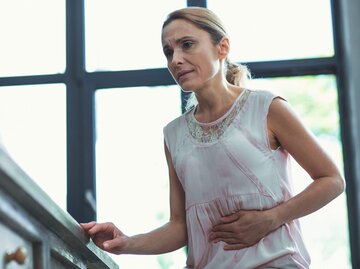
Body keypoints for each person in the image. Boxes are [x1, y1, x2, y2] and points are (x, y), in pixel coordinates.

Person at [81, 7, 345, 269]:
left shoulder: (266, 107)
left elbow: (332, 180)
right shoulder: (173, 135)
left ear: (222, 48)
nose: (176, 60)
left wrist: (272, 218)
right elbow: (180, 226)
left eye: (187, 45)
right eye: (168, 52)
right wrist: (126, 243)